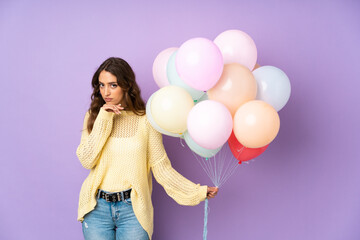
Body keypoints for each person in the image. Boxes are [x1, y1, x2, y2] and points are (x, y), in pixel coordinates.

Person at [76, 57, 218, 240]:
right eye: (101, 85)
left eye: (113, 85)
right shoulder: (94, 116)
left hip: (132, 210)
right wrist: (104, 118)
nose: (106, 92)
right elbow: (86, 160)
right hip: (97, 208)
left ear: (126, 85)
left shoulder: (146, 121)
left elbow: (161, 168)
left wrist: (195, 191)